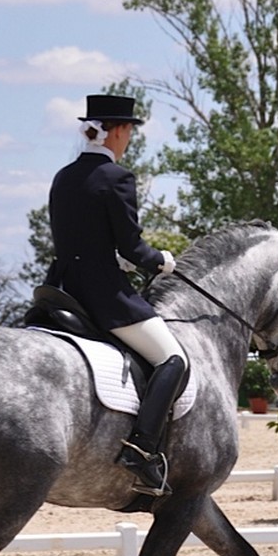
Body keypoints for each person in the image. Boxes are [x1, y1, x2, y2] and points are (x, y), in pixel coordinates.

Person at [47, 94, 189, 497]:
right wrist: (159, 261)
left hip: (62, 289)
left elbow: (79, 240)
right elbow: (132, 246)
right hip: (104, 296)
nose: (128, 140)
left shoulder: (63, 176)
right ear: (118, 131)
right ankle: (141, 450)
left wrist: (112, 257)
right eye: (129, 132)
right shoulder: (117, 178)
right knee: (173, 359)